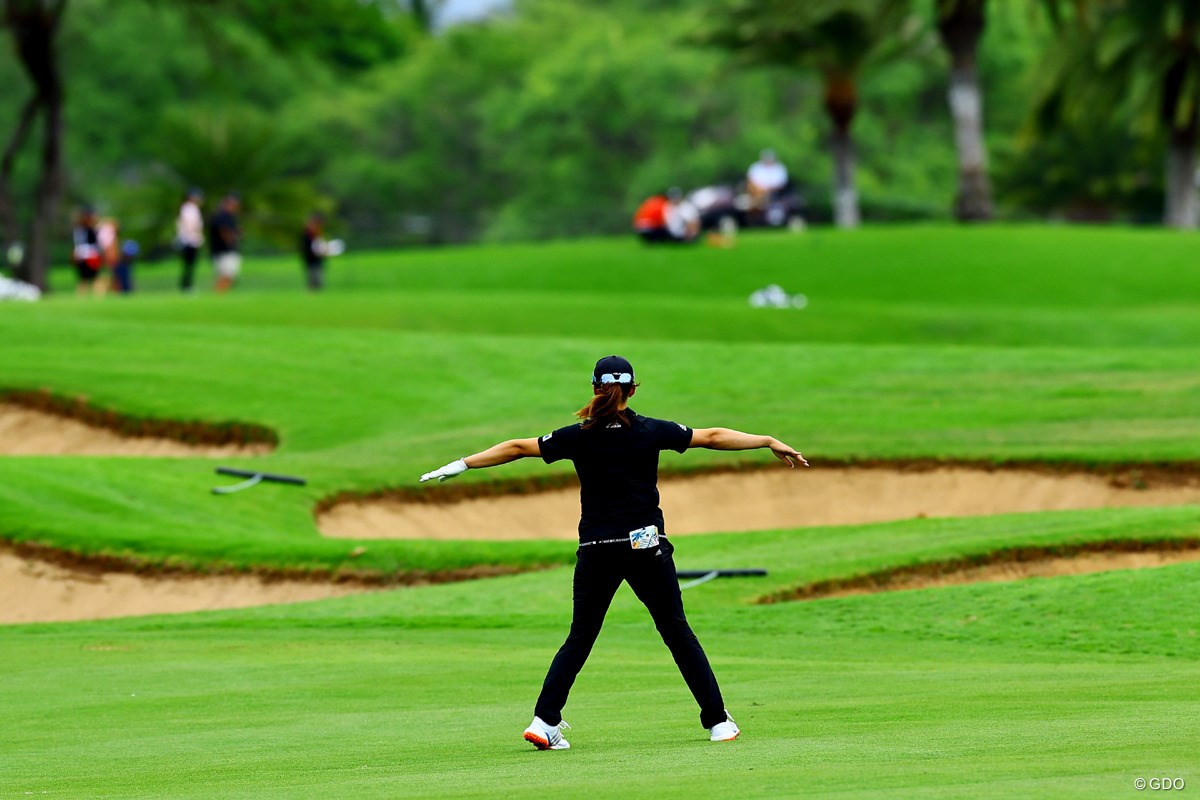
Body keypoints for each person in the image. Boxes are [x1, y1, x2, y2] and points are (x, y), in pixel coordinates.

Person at [419, 355, 807, 750]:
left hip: (596, 548)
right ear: (633, 389)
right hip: (644, 544)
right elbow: (712, 436)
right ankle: (718, 722)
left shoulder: (577, 435)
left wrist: (461, 464)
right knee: (676, 632)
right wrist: (767, 441)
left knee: (580, 637)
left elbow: (519, 447)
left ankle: (544, 719)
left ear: (594, 388)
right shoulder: (651, 430)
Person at [632, 188, 700, 244]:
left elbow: (692, 222)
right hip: (667, 232)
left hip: (682, 234)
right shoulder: (666, 206)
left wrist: (690, 235)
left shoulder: (685, 207)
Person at [209, 192, 242, 293]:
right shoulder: (223, 216)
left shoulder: (229, 216)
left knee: (228, 275)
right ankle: (218, 294)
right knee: (226, 275)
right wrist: (231, 241)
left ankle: (220, 294)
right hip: (223, 250)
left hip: (222, 250)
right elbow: (224, 231)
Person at [176, 188, 204, 293]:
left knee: (189, 265)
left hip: (190, 240)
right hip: (190, 241)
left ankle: (187, 285)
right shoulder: (189, 209)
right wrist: (196, 234)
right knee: (189, 265)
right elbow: (191, 226)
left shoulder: (189, 208)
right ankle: (186, 286)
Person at [71, 206, 101, 295]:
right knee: (84, 278)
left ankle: (96, 296)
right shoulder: (80, 230)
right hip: (85, 255)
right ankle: (82, 295)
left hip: (91, 255)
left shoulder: (93, 229)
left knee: (94, 277)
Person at [300, 213, 327, 291]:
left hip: (317, 259)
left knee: (318, 278)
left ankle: (316, 293)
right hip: (311, 259)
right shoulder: (307, 233)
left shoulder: (317, 233)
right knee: (313, 278)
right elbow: (306, 247)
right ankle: (311, 292)